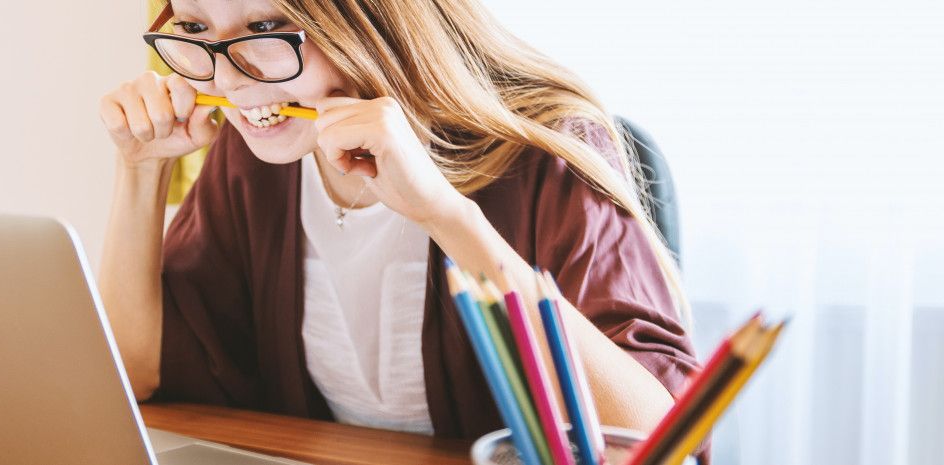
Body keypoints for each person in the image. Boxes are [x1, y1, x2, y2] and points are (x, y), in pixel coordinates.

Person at [98, 0, 701, 447]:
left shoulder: (547, 151)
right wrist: (140, 170)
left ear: (371, 19)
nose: (226, 80)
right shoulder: (257, 155)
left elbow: (661, 439)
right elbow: (137, 374)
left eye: (266, 28)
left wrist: (445, 215)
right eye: (195, 29)